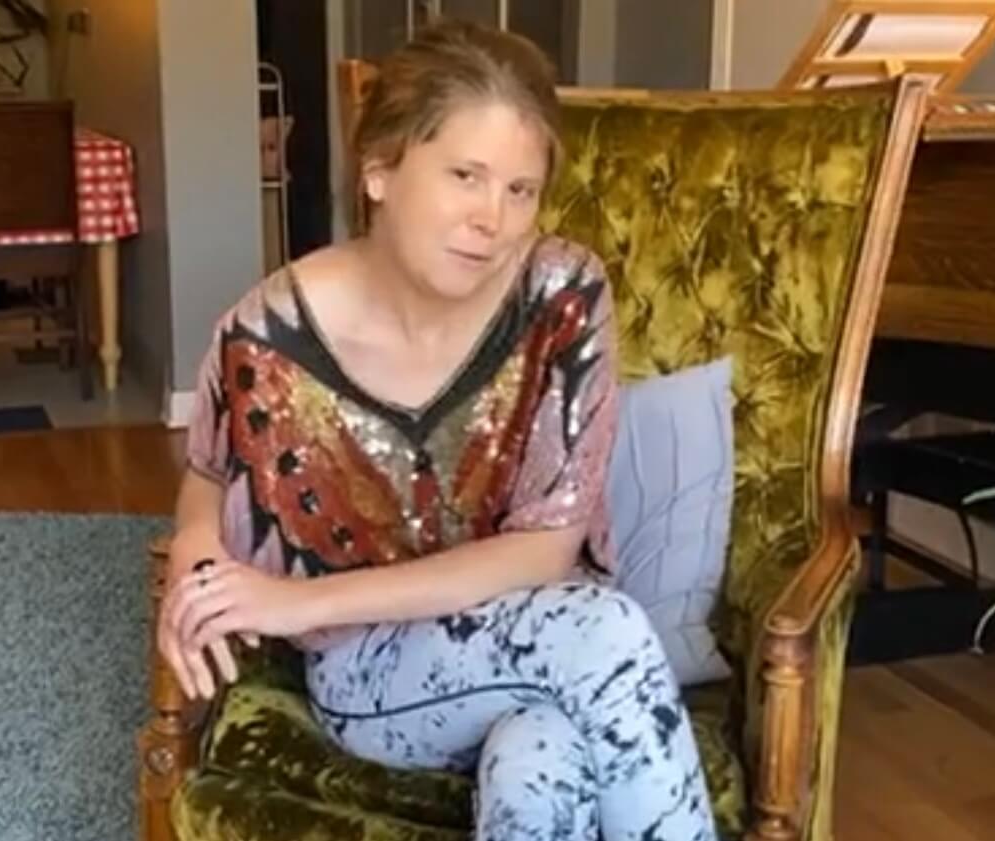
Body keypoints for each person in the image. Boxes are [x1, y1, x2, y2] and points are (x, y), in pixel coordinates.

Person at [158, 18, 716, 841]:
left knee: (540, 767)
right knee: (607, 632)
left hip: (549, 630)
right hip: (376, 670)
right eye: (465, 175)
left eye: (521, 190)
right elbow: (209, 468)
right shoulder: (269, 334)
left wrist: (294, 598)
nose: (494, 218)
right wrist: (197, 553)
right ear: (379, 169)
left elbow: (546, 549)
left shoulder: (563, 294)